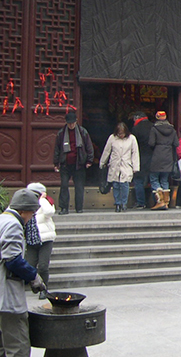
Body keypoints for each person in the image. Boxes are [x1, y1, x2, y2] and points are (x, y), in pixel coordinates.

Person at [0, 189, 47, 357]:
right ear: (22, 211)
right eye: (31, 214)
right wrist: (33, 276)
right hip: (7, 299)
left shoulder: (1, 219)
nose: (31, 218)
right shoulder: (13, 224)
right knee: (17, 347)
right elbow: (12, 259)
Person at [53, 111, 94, 214]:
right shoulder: (61, 133)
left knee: (79, 187)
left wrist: (89, 160)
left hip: (79, 163)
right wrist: (56, 163)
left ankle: (79, 207)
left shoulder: (82, 132)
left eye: (72, 123)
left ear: (76, 122)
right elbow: (57, 149)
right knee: (64, 186)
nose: (71, 125)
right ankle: (64, 208)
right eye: (69, 123)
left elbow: (89, 146)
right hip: (65, 163)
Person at [23, 183, 56, 300]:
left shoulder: (45, 203)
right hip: (31, 240)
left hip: (45, 240)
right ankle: (35, 285)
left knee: (43, 266)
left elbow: (49, 212)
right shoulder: (26, 204)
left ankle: (44, 289)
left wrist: (42, 199)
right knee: (29, 265)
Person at [100, 122, 140, 213]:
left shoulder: (132, 139)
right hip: (115, 164)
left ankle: (124, 203)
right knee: (116, 185)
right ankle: (117, 203)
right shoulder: (112, 138)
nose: (121, 135)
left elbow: (135, 153)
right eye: (119, 134)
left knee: (125, 184)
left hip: (126, 164)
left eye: (122, 133)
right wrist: (102, 162)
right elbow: (107, 150)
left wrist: (135, 167)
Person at [148, 111, 179, 210]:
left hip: (157, 155)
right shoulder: (172, 129)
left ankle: (160, 201)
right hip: (168, 156)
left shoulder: (154, 129)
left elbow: (151, 143)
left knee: (154, 178)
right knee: (164, 179)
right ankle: (166, 202)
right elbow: (176, 143)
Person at [130, 112, 154, 209]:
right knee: (153, 180)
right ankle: (156, 201)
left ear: (137, 118)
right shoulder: (153, 127)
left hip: (140, 157)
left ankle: (141, 202)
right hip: (153, 157)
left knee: (138, 180)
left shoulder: (136, 129)